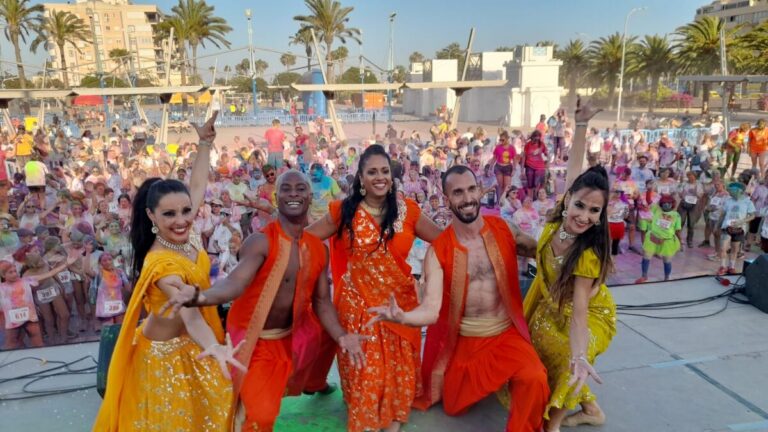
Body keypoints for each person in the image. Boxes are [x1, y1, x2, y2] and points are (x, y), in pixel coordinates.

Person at [160, 170, 352, 431]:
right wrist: (200, 297)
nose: (293, 193)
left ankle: (314, 383)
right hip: (256, 342)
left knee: (326, 336)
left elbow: (322, 302)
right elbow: (235, 282)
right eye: (286, 189)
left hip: (294, 337)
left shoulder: (318, 248)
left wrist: (342, 336)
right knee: (260, 416)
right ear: (276, 197)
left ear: (310, 196)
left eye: (300, 189)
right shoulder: (260, 241)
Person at [368, 164, 549, 431]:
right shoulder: (438, 251)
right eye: (458, 192)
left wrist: (570, 233)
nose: (467, 198)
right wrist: (403, 317)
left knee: (535, 378)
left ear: (480, 190)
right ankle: (493, 382)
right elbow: (431, 308)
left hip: (505, 335)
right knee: (453, 405)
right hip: (466, 340)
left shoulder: (505, 229)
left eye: (471, 189)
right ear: (446, 198)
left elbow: (544, 253)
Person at [94, 112, 245, 431]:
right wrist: (214, 346)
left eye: (186, 210)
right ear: (152, 215)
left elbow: (198, 186)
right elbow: (191, 316)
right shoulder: (159, 263)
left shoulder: (188, 233)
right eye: (169, 214)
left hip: (192, 346)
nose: (181, 220)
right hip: (162, 358)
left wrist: (204, 143)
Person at [306, 144, 441, 432]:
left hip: (400, 311)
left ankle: (392, 422)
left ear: (392, 176)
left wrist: (431, 277)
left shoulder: (408, 211)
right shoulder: (344, 212)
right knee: (368, 379)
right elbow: (306, 240)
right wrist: (316, 274)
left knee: (395, 380)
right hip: (359, 312)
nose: (380, 177)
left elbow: (444, 242)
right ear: (361, 178)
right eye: (372, 172)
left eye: (384, 171)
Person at [523, 163, 616, 432]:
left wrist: (579, 355)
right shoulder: (554, 225)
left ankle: (552, 426)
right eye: (580, 205)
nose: (584, 216)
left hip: (591, 314)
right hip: (553, 304)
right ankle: (592, 410)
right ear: (567, 200)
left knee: (568, 362)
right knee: (537, 350)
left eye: (594, 210)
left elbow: (579, 312)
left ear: (601, 215)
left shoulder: (588, 254)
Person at [636, 195, 682, 283]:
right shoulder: (656, 209)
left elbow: (678, 230)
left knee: (667, 260)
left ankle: (667, 277)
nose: (666, 204)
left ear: (672, 204)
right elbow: (649, 202)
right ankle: (644, 276)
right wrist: (658, 198)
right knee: (646, 257)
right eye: (664, 203)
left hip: (667, 241)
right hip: (652, 238)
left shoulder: (676, 215)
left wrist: (680, 241)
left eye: (669, 203)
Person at [717, 182, 756, 275]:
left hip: (739, 229)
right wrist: (718, 226)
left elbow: (752, 215)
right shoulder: (728, 201)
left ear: (739, 191)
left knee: (735, 249)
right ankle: (722, 266)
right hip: (726, 227)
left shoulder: (748, 202)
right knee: (723, 248)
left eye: (731, 190)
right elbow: (723, 214)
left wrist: (742, 221)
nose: (729, 192)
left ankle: (731, 267)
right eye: (729, 190)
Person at [522, 130, 549, 199]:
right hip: (529, 165)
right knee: (530, 184)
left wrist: (547, 157)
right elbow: (524, 156)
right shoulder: (528, 144)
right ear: (532, 137)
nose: (537, 139)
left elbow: (546, 154)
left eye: (538, 137)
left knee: (536, 184)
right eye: (536, 137)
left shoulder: (542, 144)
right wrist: (522, 170)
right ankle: (530, 199)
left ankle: (536, 198)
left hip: (539, 167)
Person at [492, 131, 516, 205]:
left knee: (507, 186)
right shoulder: (498, 147)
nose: (501, 141)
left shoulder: (512, 148)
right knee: (500, 186)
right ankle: (500, 202)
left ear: (507, 139)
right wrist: (490, 167)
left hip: (508, 167)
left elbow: (514, 159)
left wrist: (514, 169)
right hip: (499, 167)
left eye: (503, 140)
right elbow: (494, 158)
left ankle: (506, 202)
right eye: (500, 139)